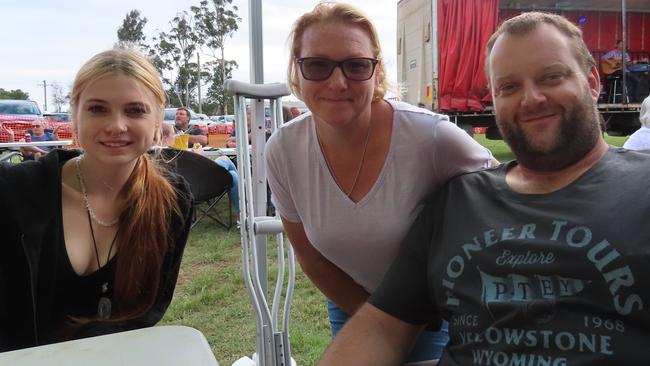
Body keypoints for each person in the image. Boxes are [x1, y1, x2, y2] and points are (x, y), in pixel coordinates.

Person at [319, 12, 650, 365]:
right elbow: (383, 325)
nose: (531, 99)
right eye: (509, 87)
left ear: (592, 82)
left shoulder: (642, 187)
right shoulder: (458, 201)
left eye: (551, 77)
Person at [264, 2, 494, 363]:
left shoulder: (430, 137)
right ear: (298, 70)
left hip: (435, 311)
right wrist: (377, 319)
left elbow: (509, 199)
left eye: (356, 66)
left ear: (376, 69)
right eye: (318, 65)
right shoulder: (283, 149)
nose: (337, 82)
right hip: (350, 296)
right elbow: (310, 256)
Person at [0, 48, 193, 352]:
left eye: (135, 110)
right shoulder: (14, 192)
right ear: (74, 114)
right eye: (98, 109)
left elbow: (147, 313)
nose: (116, 125)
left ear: (158, 117)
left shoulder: (173, 200)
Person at [161, 123, 239, 212]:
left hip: (183, 189)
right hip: (196, 188)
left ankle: (241, 213)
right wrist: (198, 156)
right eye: (173, 134)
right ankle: (241, 212)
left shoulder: (157, 153)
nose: (176, 137)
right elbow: (189, 174)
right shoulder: (172, 153)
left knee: (233, 175)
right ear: (164, 136)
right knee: (225, 160)